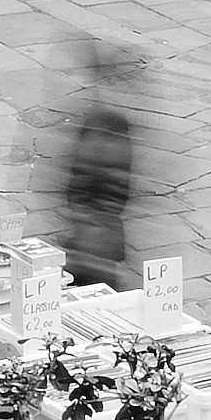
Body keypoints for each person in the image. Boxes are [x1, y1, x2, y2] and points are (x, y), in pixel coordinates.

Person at [59, 39, 136, 288]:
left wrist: (84, 219)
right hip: (90, 245)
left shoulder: (110, 129)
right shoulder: (95, 123)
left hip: (94, 249)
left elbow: (114, 188)